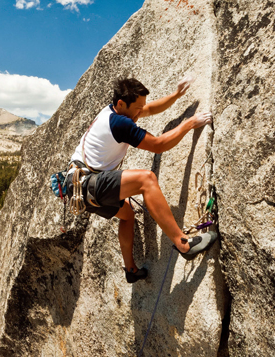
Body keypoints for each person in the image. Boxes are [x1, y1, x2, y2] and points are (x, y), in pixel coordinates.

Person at [66, 77, 217, 284]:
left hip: (77, 187)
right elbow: (158, 145)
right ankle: (184, 244)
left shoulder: (113, 110)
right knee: (147, 179)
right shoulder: (119, 123)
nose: (140, 113)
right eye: (137, 108)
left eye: (140, 107)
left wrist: (176, 95)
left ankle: (130, 269)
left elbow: (150, 109)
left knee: (127, 214)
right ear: (121, 103)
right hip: (87, 184)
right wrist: (189, 124)